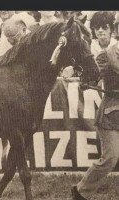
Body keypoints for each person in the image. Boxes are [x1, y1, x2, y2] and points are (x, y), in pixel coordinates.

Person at [71, 21, 119, 200]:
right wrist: (85, 81)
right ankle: (81, 192)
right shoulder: (107, 55)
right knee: (110, 159)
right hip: (112, 114)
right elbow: (93, 77)